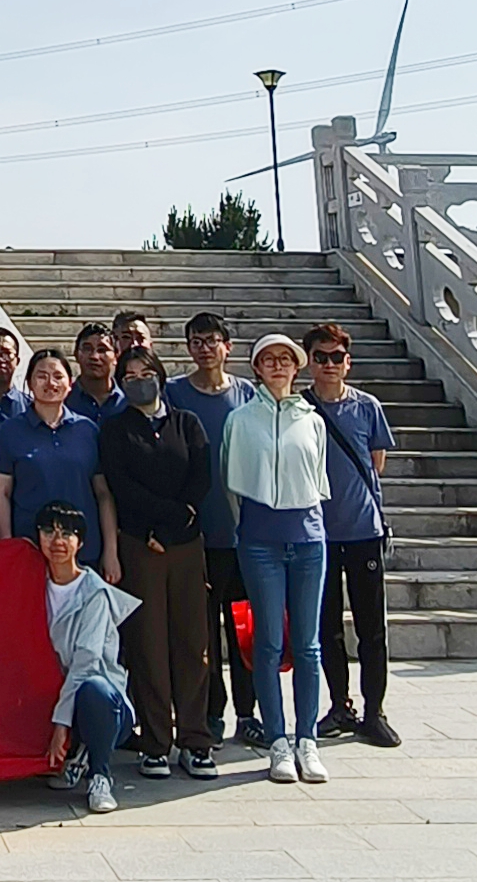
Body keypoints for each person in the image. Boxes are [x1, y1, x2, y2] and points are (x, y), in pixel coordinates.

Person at [98, 346, 215, 780]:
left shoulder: (187, 423)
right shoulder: (115, 430)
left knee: (192, 642)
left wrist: (173, 523)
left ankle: (195, 738)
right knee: (148, 644)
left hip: (185, 544)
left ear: (160, 375)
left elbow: (201, 477)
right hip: (140, 544)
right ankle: (155, 740)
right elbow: (121, 485)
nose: (138, 382)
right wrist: (157, 524)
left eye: (145, 373)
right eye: (128, 377)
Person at [224, 333, 332, 785]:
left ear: (297, 366)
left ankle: (307, 738)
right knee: (268, 643)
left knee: (308, 645)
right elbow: (231, 480)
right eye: (268, 359)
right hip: (260, 540)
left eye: (285, 359)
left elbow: (319, 477)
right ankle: (277, 741)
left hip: (307, 538)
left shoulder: (312, 419)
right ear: (256, 367)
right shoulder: (240, 419)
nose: (278, 366)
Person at [302, 322, 398, 749]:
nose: (328, 365)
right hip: (317, 532)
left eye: (336, 357)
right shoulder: (299, 407)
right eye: (320, 357)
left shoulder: (367, 407)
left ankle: (374, 710)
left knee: (371, 626)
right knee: (327, 626)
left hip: (362, 530)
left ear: (348, 362)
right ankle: (340, 705)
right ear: (309, 362)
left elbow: (376, 462)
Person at [167, 312, 260, 749]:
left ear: (228, 346)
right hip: (195, 535)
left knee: (244, 629)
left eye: (212, 340)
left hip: (243, 533)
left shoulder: (247, 394)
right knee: (200, 633)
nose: (205, 348)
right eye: (196, 341)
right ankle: (210, 712)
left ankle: (249, 712)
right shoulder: (174, 394)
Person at [37, 499, 139, 817]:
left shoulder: (94, 593)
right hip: (53, 693)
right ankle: (74, 757)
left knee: (95, 688)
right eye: (49, 532)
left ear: (80, 543)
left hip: (102, 705)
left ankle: (100, 776)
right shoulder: (33, 583)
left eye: (67, 534)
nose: (57, 541)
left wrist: (60, 724)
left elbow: (86, 663)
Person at [0, 350, 122, 582]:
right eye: (41, 376)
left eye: (58, 376)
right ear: (29, 383)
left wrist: (110, 551)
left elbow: (103, 494)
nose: (50, 383)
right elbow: (3, 492)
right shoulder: (10, 431)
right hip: (31, 549)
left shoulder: (88, 430)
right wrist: (7, 545)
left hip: (83, 550)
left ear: (70, 384)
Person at [68, 323, 124, 423]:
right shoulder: (63, 399)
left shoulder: (128, 401)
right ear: (76, 354)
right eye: (87, 349)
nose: (94, 356)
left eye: (102, 350)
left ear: (116, 356)